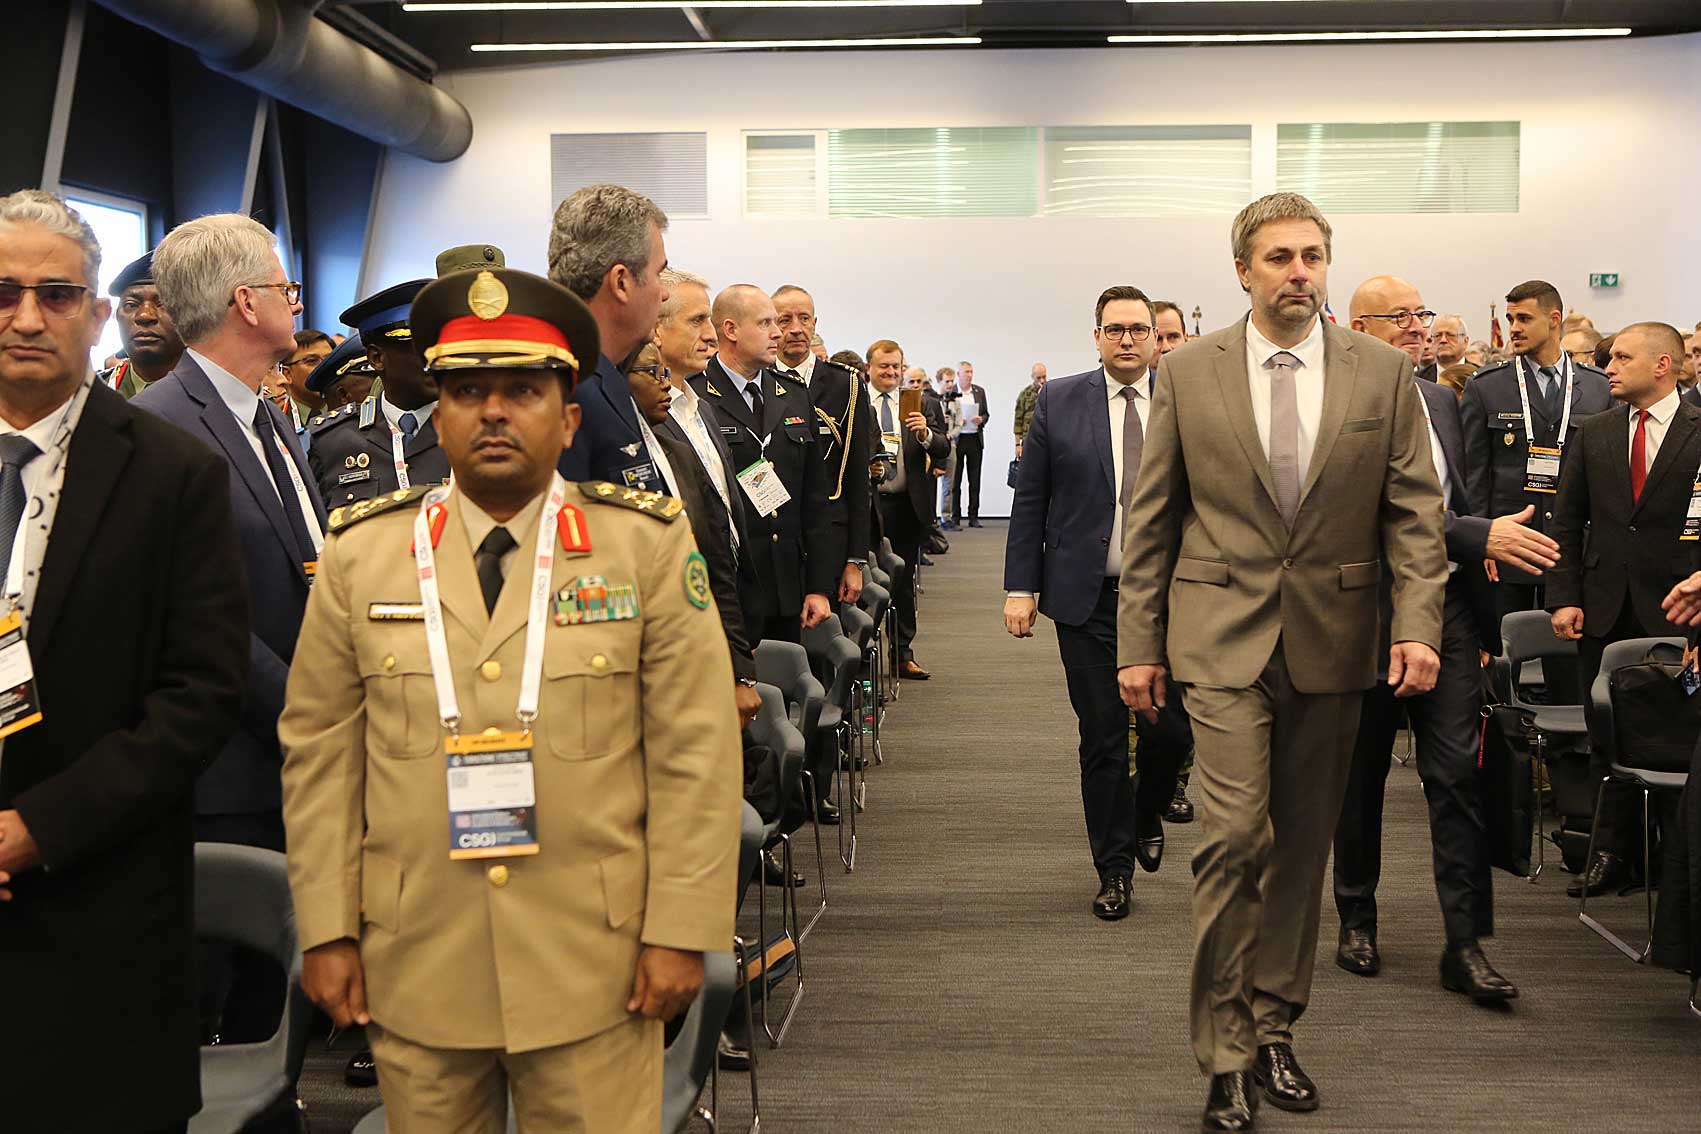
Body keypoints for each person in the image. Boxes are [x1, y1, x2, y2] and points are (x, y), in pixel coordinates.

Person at [280, 266, 740, 1134]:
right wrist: (327, 929)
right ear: (437, 414)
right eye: (467, 391)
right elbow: (321, 757)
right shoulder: (362, 554)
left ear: (568, 420)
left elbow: (697, 751)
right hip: (416, 955)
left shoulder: (641, 546)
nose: (493, 412)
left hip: (598, 959)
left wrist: (683, 929)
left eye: (523, 391)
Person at [1116, 192, 1446, 1131]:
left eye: (1311, 256)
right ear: (1242, 271)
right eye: (1278, 258)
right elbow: (1152, 516)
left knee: (1301, 849)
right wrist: (1137, 642)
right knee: (1231, 840)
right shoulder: (1188, 370)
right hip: (1218, 635)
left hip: (1335, 638)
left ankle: (1273, 1028)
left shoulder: (1383, 372)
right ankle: (1224, 1053)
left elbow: (1413, 513)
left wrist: (1416, 625)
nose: (1298, 272)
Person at [0, 190, 249, 1134]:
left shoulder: (172, 473)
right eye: (4, 292)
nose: (28, 318)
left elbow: (201, 693)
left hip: (96, 909)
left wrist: (37, 827)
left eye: (57, 294)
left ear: (99, 313)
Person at [1334, 275, 1556, 1000]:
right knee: (1359, 776)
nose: (1416, 326)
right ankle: (1356, 918)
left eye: (1420, 313)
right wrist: (1473, 533)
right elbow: (1369, 508)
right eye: (1398, 316)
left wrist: (1478, 547)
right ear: (1358, 328)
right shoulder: (1335, 402)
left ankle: (1465, 944)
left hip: (1448, 608)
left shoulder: (1440, 399)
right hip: (1362, 611)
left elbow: (1452, 499)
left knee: (1457, 774)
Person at [133, 214, 324, 856]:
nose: (297, 304)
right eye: (285, 289)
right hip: (234, 779)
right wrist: (304, 715)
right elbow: (191, 615)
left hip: (305, 761)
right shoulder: (156, 428)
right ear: (247, 302)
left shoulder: (268, 416)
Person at [1004, 285, 1191, 921]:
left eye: (1139, 329)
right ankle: (1113, 870)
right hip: (1087, 598)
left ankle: (1145, 811)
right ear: (1097, 337)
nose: (1128, 339)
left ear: (1156, 338)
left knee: (1171, 730)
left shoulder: (1184, 398)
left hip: (1171, 600)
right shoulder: (1059, 400)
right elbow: (1032, 500)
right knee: (1103, 736)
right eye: (1115, 329)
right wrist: (1021, 587)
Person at [1548, 322, 1701, 898]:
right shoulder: (1595, 431)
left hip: (1680, 609)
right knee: (1604, 734)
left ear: (1663, 365)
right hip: (1603, 608)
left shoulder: (1698, 429)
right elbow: (1566, 522)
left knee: (1676, 735)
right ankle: (1611, 851)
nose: (1607, 367)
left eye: (1622, 359)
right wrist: (1564, 596)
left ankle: (1675, 859)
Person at [1460, 281, 1612, 641]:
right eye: (1511, 319)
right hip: (1509, 544)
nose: (1514, 328)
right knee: (1501, 650)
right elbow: (1474, 474)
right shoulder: (1486, 386)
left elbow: (1606, 477)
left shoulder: (1598, 387)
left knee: (1568, 659)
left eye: (1525, 319)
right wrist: (1481, 539)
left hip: (1572, 548)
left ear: (1554, 320)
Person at [690, 285, 833, 644]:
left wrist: (818, 586)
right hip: (730, 585)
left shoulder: (793, 393)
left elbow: (815, 499)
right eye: (765, 323)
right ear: (731, 330)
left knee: (788, 676)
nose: (778, 333)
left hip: (787, 584)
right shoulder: (696, 396)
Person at [553, 184, 673, 491]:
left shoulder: (607, 374)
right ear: (621, 283)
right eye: (658, 274)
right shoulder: (563, 390)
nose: (665, 293)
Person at [307, 281, 450, 509]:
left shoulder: (468, 429)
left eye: (440, 347)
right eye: (420, 348)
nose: (434, 359)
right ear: (376, 358)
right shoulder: (333, 440)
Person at [772, 285, 875, 602]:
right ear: (770, 325)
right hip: (775, 540)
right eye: (785, 320)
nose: (796, 328)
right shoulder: (758, 381)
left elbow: (857, 475)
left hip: (832, 536)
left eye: (804, 319)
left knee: (828, 629)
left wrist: (856, 560)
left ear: (814, 324)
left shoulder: (846, 384)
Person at [868, 340, 948, 680]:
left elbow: (943, 447)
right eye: (883, 366)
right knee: (867, 583)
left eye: (895, 367)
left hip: (906, 506)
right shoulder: (856, 402)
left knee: (902, 583)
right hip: (868, 505)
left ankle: (902, 654)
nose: (890, 372)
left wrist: (925, 433)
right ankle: (862, 657)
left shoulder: (922, 403)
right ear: (869, 368)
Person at [99, 249, 185, 400]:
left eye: (163, 304)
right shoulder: (91, 395)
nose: (144, 315)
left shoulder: (217, 393)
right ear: (117, 316)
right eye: (131, 305)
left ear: (190, 315)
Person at [951, 361, 990, 528]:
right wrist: (957, 421)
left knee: (974, 480)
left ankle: (973, 516)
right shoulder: (952, 392)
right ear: (958, 374)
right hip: (958, 440)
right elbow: (946, 414)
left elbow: (986, 414)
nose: (969, 375)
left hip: (974, 439)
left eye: (971, 372)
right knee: (955, 481)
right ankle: (955, 516)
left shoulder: (979, 391)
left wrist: (981, 419)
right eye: (966, 372)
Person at [278, 329, 332, 424]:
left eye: (329, 359)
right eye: (312, 361)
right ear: (287, 374)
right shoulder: (277, 419)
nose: (324, 367)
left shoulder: (349, 411)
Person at [934, 365, 960, 528]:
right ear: (939, 382)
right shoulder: (932, 400)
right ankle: (930, 516)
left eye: (952, 381)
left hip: (950, 444)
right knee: (930, 483)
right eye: (947, 381)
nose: (950, 384)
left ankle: (946, 517)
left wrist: (951, 434)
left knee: (949, 484)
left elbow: (959, 424)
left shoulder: (956, 402)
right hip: (934, 444)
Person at [1012, 362, 1046, 457]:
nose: (1042, 381)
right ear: (1032, 377)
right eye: (1038, 378)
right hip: (1028, 440)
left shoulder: (1050, 392)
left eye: (1044, 377)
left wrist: (1043, 395)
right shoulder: (1025, 394)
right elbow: (1018, 421)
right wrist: (1017, 445)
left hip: (1046, 440)